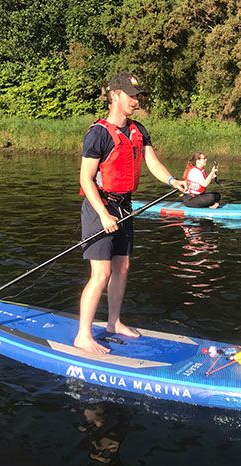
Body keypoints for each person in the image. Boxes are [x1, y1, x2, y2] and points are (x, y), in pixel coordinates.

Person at [76, 72, 187, 354]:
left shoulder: (138, 129)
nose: (136, 101)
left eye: (138, 96)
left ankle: (113, 322)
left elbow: (152, 162)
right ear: (115, 95)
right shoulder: (98, 133)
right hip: (99, 206)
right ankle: (83, 335)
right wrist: (103, 214)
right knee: (100, 273)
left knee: (122, 268)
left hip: (125, 206)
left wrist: (174, 181)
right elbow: (86, 179)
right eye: (131, 95)